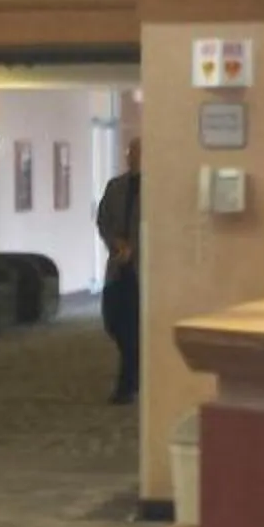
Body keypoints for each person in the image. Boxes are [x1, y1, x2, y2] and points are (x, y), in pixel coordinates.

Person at [95, 137, 143, 404]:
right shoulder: (116, 187)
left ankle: (128, 383)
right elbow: (103, 220)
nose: (132, 156)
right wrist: (115, 243)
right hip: (117, 268)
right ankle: (132, 376)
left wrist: (134, 248)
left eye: (137, 152)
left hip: (142, 268)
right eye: (130, 151)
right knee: (113, 321)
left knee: (135, 327)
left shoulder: (156, 188)